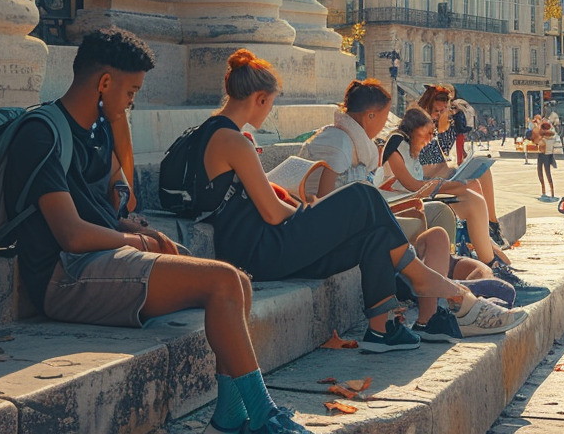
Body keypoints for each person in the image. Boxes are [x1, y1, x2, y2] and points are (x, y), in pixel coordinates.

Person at [3, 28, 311, 434]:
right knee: (221, 282)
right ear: (105, 83)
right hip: (64, 275)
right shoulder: (40, 133)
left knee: (240, 283)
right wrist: (141, 240)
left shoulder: (95, 133)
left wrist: (117, 124)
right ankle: (264, 415)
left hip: (102, 258)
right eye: (130, 91)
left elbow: (124, 203)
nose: (133, 101)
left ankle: (232, 415)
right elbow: (72, 236)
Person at [195, 52, 524, 355]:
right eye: (271, 104)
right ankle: (442, 291)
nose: (270, 111)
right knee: (364, 197)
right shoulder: (232, 140)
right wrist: (310, 216)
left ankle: (382, 330)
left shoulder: (209, 134)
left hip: (256, 245)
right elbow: (270, 211)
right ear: (260, 98)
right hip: (258, 253)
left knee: (375, 234)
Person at [300, 79, 513, 342]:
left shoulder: (351, 143)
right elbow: (325, 204)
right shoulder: (340, 143)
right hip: (342, 238)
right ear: (370, 115)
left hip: (363, 226)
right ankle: (458, 297)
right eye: (383, 116)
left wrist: (402, 204)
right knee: (425, 222)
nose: (386, 124)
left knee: (437, 236)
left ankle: (430, 319)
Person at [381, 107, 528, 287]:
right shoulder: (396, 143)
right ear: (413, 129)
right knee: (467, 197)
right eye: (427, 133)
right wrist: (449, 186)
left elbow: (421, 185)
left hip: (414, 200)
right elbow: (413, 186)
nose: (429, 139)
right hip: (399, 205)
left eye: (432, 134)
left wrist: (453, 185)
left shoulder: (412, 149)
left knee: (472, 198)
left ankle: (490, 261)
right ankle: (490, 263)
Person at [415, 84, 506, 246]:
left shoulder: (447, 127)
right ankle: (484, 229)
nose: (441, 114)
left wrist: (445, 129)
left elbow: (448, 154)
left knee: (483, 172)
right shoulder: (420, 127)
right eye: (438, 110)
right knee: (472, 185)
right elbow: (426, 161)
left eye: (445, 109)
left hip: (444, 173)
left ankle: (492, 223)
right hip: (429, 179)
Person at [532, 117, 558, 201]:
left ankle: (543, 191)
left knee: (541, 173)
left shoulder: (543, 139)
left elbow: (539, 145)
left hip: (542, 156)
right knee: (549, 175)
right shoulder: (552, 138)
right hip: (550, 155)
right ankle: (552, 192)